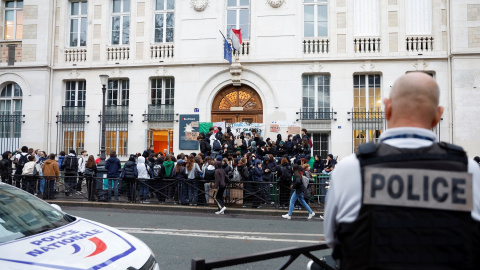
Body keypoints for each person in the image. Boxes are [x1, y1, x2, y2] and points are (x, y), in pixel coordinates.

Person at [324, 72, 480, 269]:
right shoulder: (469, 171)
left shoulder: (349, 168)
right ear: (438, 115)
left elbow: (332, 239)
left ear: (387, 108)